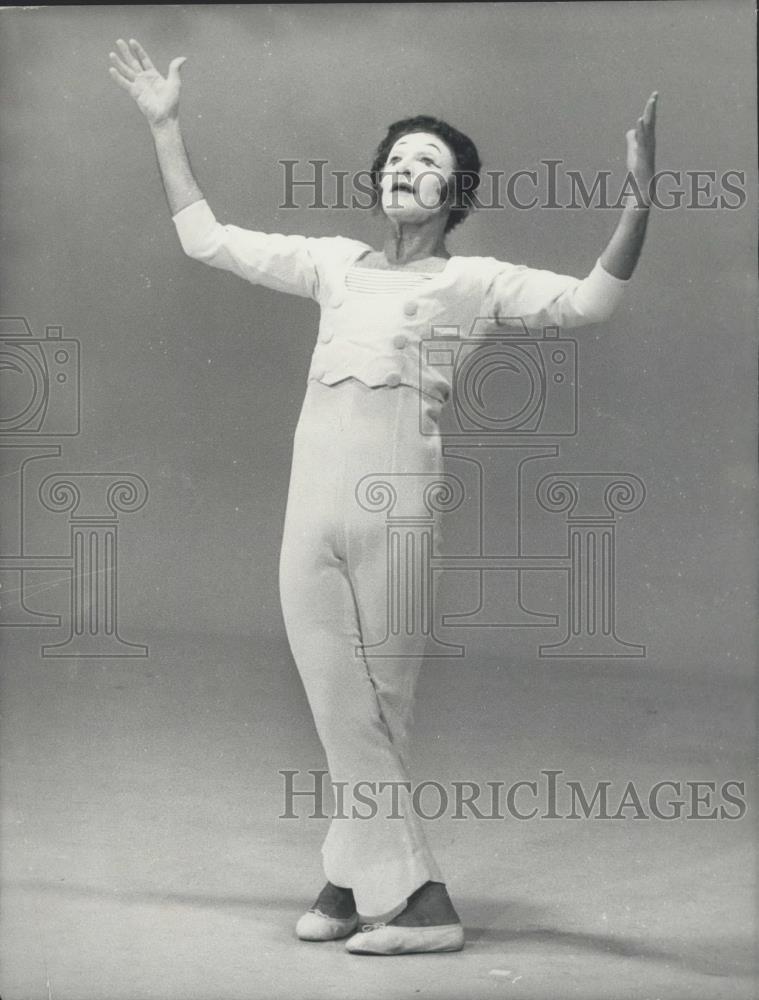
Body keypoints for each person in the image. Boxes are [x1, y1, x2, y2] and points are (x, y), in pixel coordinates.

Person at [109, 37, 657, 956]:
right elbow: (206, 238)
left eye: (428, 164)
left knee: (373, 708)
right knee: (342, 704)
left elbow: (592, 306)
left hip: (396, 516)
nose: (407, 171)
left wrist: (638, 196)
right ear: (379, 183)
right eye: (396, 160)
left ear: (455, 196)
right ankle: (359, 880)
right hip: (309, 513)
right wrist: (165, 125)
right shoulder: (331, 263)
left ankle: (419, 904)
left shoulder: (474, 282)